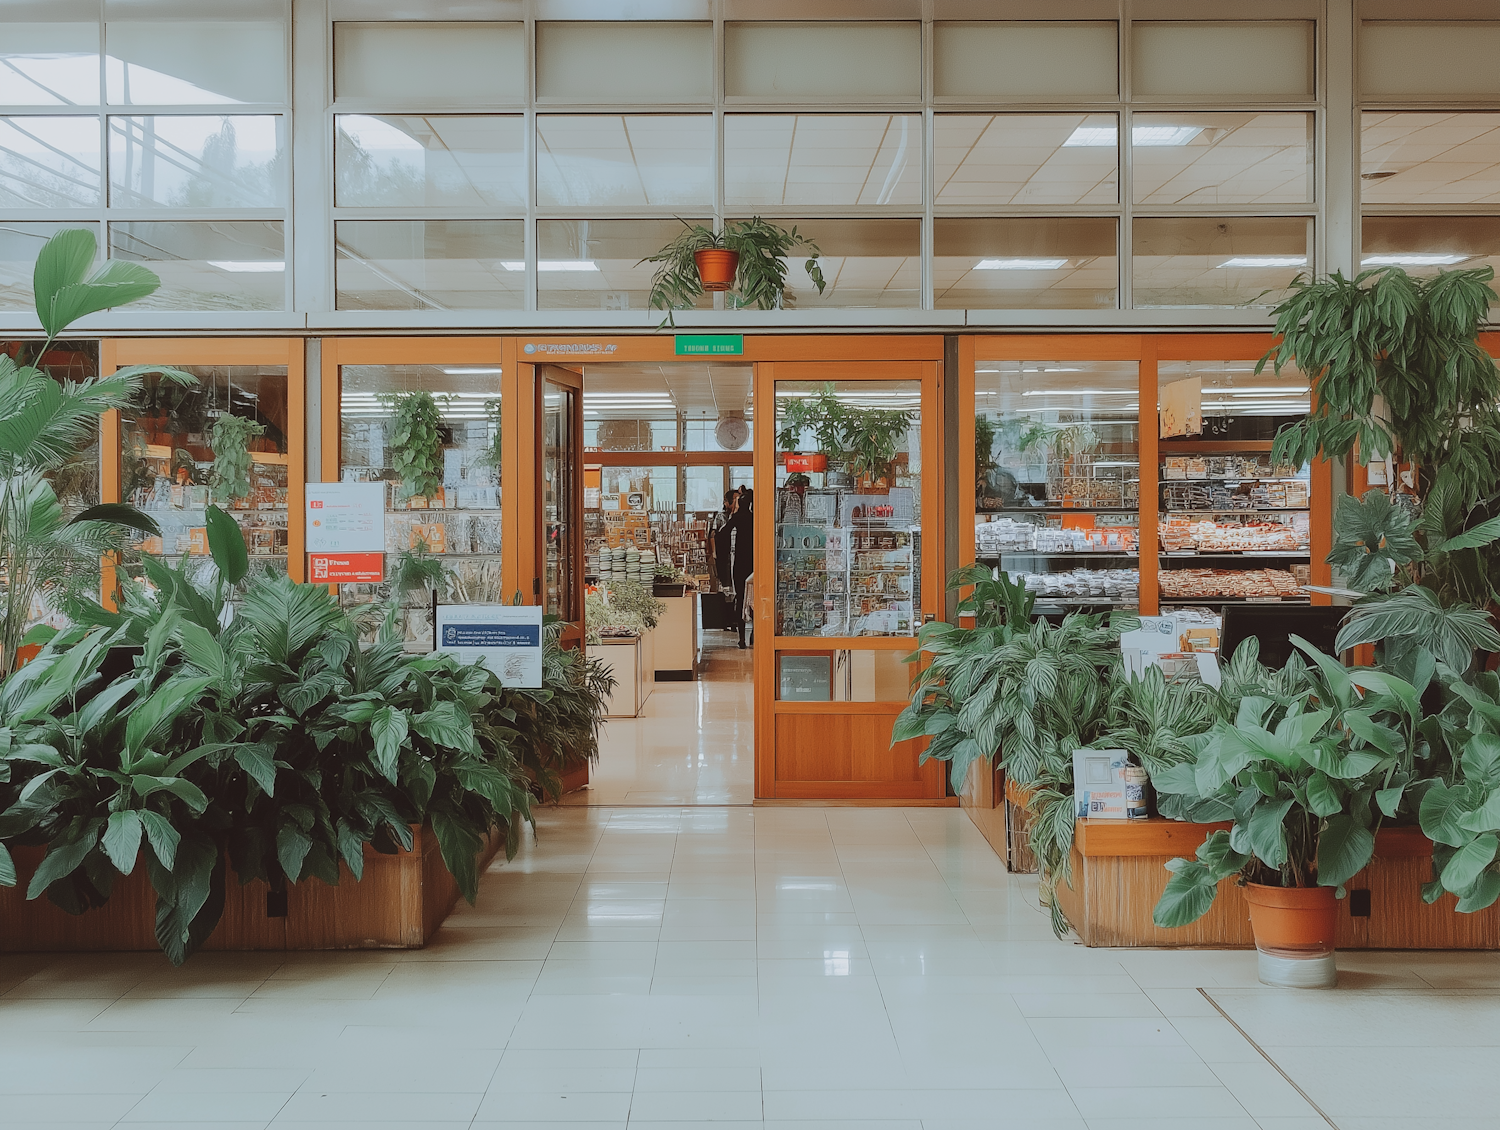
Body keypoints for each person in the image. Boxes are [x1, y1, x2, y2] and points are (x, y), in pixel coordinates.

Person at [728, 488, 754, 648]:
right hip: (754, 562)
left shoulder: (736, 518)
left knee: (740, 597)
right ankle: (755, 634)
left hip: (739, 563)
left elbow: (722, 534)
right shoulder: (754, 518)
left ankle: (741, 638)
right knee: (754, 599)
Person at [712, 489, 738, 632]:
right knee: (725, 588)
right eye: (734, 500)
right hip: (724, 557)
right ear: (726, 502)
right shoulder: (721, 517)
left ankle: (735, 619)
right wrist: (715, 553)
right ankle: (726, 620)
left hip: (737, 557)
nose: (736, 503)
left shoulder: (741, 516)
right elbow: (714, 535)